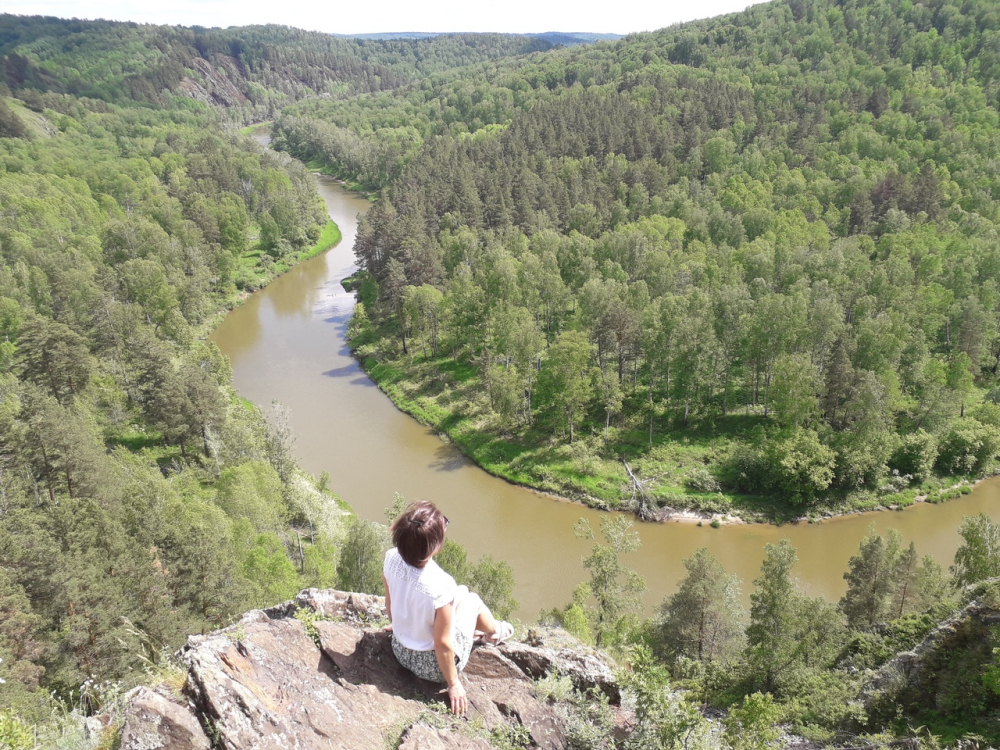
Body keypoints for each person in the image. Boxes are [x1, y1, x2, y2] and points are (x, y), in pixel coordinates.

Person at [382, 501, 514, 716]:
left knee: (459, 594)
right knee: (471, 600)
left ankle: (483, 631)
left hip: (400, 648)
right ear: (435, 546)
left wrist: (400, 624)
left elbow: (391, 601)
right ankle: (496, 632)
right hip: (432, 666)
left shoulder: (391, 558)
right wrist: (453, 683)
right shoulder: (439, 585)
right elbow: (442, 643)